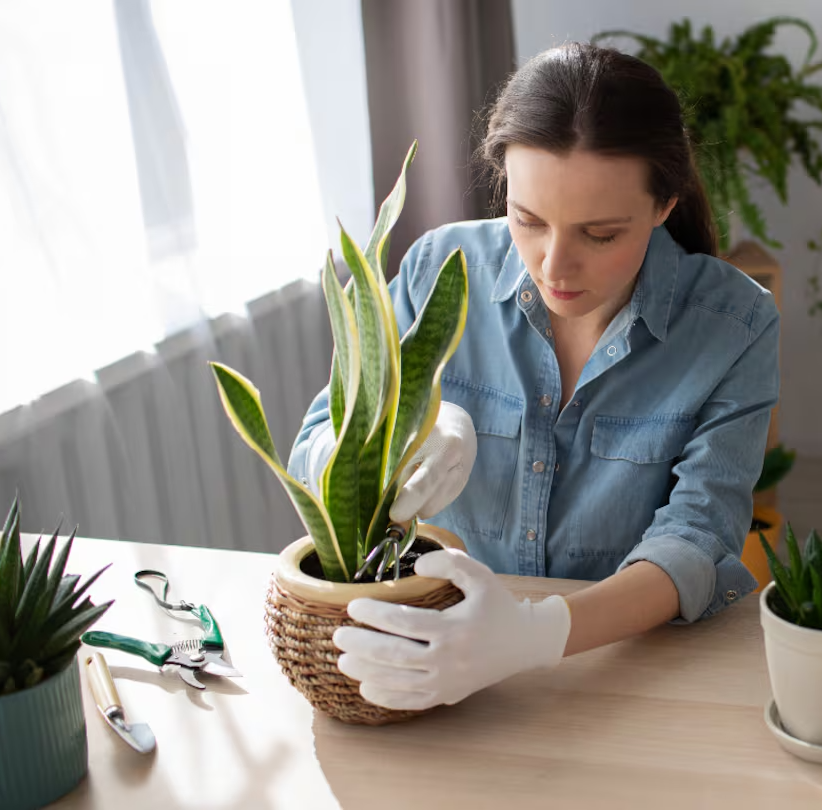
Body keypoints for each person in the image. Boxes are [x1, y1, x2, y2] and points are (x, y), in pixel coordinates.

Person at [285, 42, 780, 712]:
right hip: (432, 665)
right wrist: (405, 438)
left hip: (628, 675)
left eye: (600, 234)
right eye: (528, 220)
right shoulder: (439, 270)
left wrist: (534, 635)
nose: (553, 266)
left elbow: (697, 534)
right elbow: (319, 442)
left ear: (665, 203)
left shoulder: (736, 324)